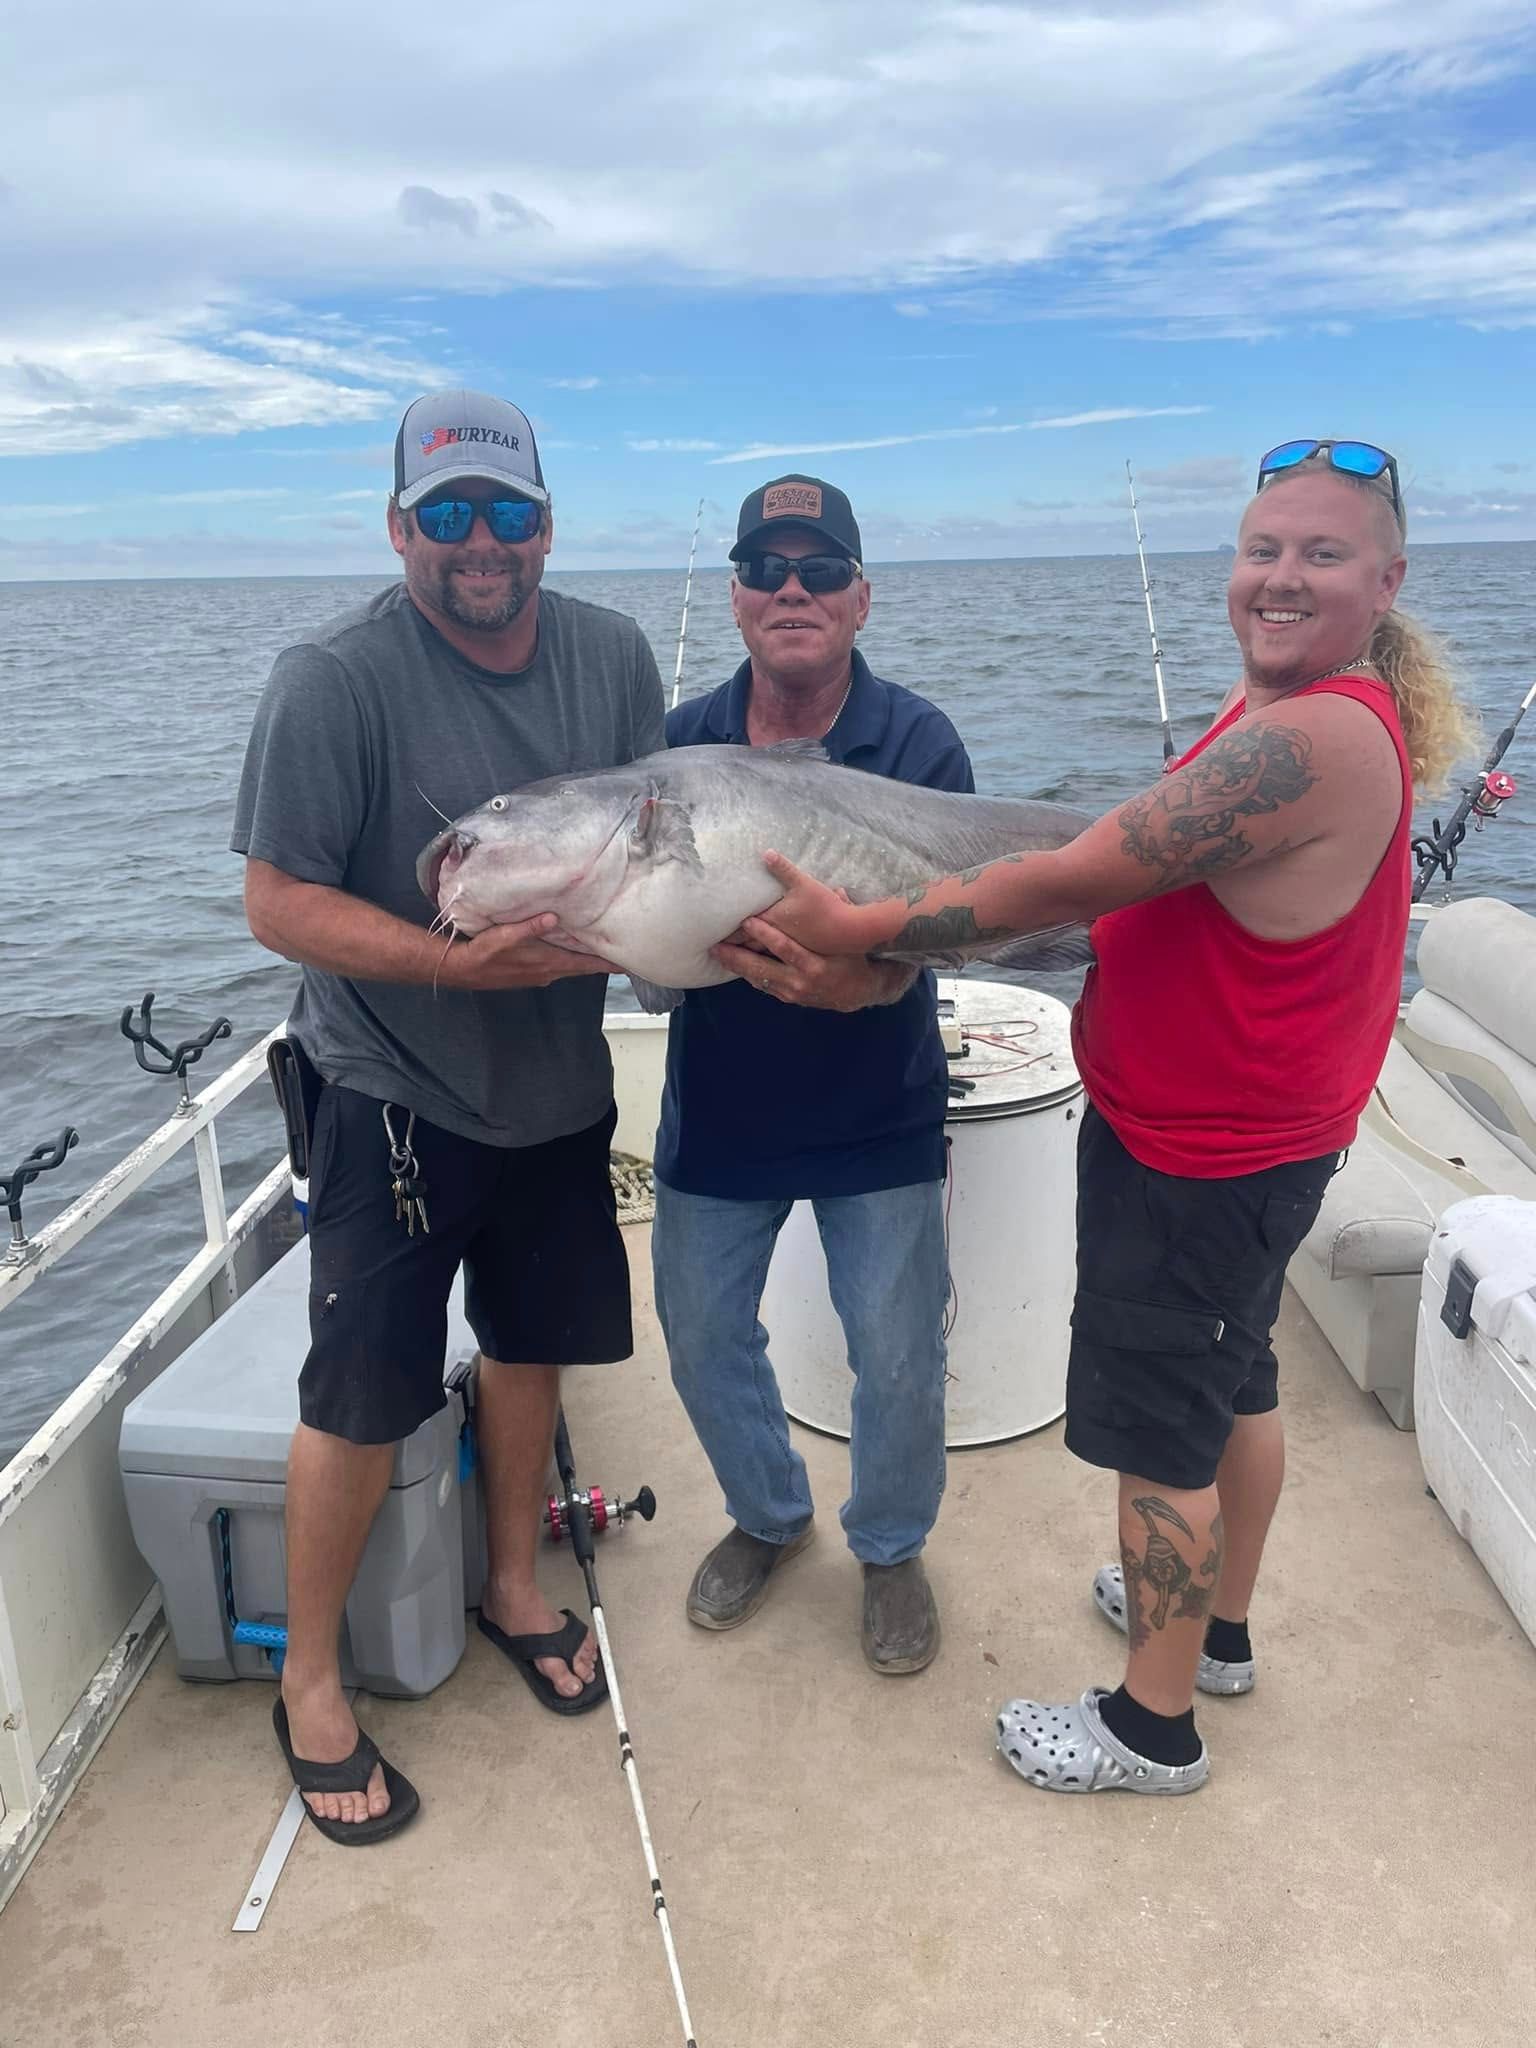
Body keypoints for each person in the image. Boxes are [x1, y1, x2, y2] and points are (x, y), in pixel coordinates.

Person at [756, 439, 1478, 1787]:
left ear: (1385, 579)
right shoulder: (1321, 703)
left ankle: (1153, 1727)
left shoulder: (1310, 734)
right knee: (1232, 1383)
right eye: (1263, 548)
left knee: (1161, 1436)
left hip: (1203, 1153)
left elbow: (1071, 879)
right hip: (1258, 1132)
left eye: (1322, 554)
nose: (1280, 575)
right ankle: (1219, 1632)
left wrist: (857, 925)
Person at [232, 389, 665, 1841]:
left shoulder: (611, 654)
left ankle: (511, 1585)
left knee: (534, 1342)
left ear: (548, 520)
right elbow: (277, 901)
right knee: (361, 1390)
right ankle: (309, 1681)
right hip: (387, 1093)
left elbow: (658, 843)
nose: (482, 545)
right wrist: (448, 964)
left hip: (555, 1087)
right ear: (399, 526)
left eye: (510, 513)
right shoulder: (335, 677)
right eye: (449, 516)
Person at [653, 474, 973, 1675]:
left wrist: (870, 980)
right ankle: (767, 1513)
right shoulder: (684, 744)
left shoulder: (920, 739)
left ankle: (890, 1546)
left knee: (895, 1353)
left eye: (821, 569)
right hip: (720, 1110)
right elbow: (650, 943)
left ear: (860, 597)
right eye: (769, 568)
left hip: (876, 1109)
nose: (794, 589)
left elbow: (965, 913)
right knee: (696, 1334)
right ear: (735, 596)